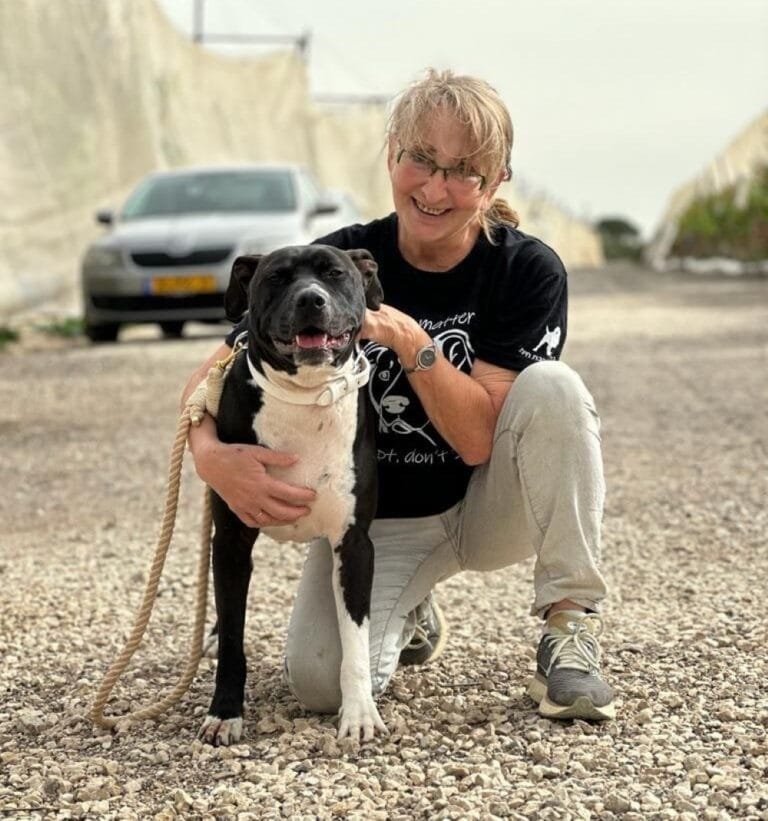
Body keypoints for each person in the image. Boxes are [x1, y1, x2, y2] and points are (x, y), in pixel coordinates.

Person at [182, 69, 615, 722]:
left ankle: (569, 627)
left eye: (464, 170)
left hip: (487, 504)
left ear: (495, 182)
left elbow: (476, 439)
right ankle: (408, 607)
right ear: (393, 158)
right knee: (321, 685)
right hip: (375, 522)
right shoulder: (332, 266)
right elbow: (210, 373)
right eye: (421, 160)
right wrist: (211, 455)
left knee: (555, 388)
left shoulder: (526, 270)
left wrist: (409, 338)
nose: (436, 187)